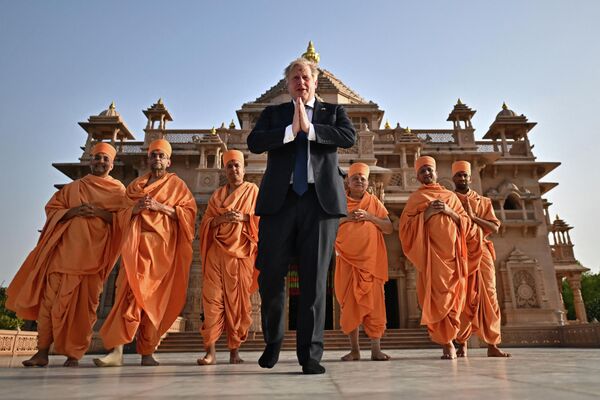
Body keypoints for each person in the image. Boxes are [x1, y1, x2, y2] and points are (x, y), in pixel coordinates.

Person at [247, 57, 355, 374]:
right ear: (288, 84)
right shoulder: (274, 113)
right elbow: (254, 142)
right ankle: (273, 341)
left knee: (314, 278)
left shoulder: (333, 112)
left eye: (305, 76)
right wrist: (289, 131)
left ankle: (310, 355)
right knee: (270, 274)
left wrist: (310, 130)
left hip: (319, 203)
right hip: (279, 202)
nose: (301, 82)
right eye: (295, 77)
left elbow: (349, 137)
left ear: (315, 81)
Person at [7, 142, 126, 367]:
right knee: (49, 306)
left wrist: (101, 213)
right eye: (97, 158)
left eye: (105, 159)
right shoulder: (73, 188)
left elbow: (125, 221)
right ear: (91, 160)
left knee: (84, 309)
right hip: (63, 256)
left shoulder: (118, 191)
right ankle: (41, 352)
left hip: (94, 259)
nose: (100, 162)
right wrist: (72, 212)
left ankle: (74, 354)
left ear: (112, 164)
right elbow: (52, 210)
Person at [94, 139, 197, 367]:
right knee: (125, 296)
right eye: (154, 155)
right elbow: (119, 215)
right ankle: (117, 351)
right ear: (148, 159)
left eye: (161, 155)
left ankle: (148, 351)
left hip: (161, 251)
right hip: (134, 248)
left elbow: (189, 214)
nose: (157, 159)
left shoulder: (177, 186)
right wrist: (135, 209)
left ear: (169, 161)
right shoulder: (134, 187)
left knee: (153, 301)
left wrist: (160, 207)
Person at [399, 156, 471, 360]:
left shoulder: (451, 197)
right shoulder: (415, 199)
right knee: (435, 298)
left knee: (457, 300)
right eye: (422, 171)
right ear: (417, 177)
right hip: (431, 257)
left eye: (429, 170)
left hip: (454, 256)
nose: (427, 174)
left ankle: (459, 340)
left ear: (437, 173)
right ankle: (446, 343)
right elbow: (404, 228)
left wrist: (449, 211)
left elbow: (466, 223)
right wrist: (427, 214)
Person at [197, 149, 259, 365]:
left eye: (237, 165)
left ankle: (234, 351)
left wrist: (244, 218)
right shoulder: (216, 196)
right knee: (211, 302)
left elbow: (262, 221)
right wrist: (222, 219)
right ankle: (210, 352)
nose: (233, 169)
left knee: (239, 305)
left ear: (244, 169)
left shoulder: (253, 191)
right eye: (229, 166)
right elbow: (206, 224)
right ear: (225, 170)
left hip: (242, 256)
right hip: (217, 253)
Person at [452, 161, 511, 358]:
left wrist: (473, 217)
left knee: (489, 295)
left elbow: (494, 227)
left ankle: (492, 343)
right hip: (458, 251)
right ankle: (462, 343)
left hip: (482, 250)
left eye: (464, 175)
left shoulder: (484, 202)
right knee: (462, 297)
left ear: (470, 178)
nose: (462, 178)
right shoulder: (450, 200)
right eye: (458, 175)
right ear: (453, 178)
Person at [334, 162, 392, 362]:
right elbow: (328, 225)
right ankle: (355, 350)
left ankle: (376, 348)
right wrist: (348, 218)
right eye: (355, 178)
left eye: (363, 178)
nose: (359, 181)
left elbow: (388, 227)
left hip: (371, 263)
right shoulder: (339, 202)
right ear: (347, 183)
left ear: (368, 183)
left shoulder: (374, 202)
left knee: (375, 305)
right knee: (350, 305)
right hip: (347, 261)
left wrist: (370, 217)